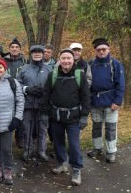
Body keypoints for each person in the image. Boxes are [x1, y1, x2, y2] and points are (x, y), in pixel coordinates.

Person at [43, 48, 90, 186]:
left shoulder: (79, 75)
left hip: (73, 117)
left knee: (74, 145)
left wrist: (84, 116)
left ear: (73, 60)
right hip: (56, 116)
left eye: (69, 58)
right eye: (63, 58)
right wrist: (45, 113)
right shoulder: (53, 75)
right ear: (59, 60)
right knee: (58, 142)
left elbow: (86, 97)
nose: (66, 61)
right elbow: (46, 95)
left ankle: (76, 169)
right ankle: (62, 163)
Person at [87, 38, 125, 163]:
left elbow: (121, 84)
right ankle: (97, 148)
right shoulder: (91, 64)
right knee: (96, 127)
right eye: (99, 50)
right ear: (95, 51)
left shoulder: (115, 64)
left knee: (111, 128)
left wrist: (117, 101)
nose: (102, 52)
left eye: (104, 49)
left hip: (111, 102)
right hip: (95, 101)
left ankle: (111, 151)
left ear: (109, 49)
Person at [18, 45, 52, 161]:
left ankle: (41, 151)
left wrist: (45, 91)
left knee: (42, 128)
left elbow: (53, 85)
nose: (37, 54)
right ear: (31, 54)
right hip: (28, 104)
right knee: (27, 128)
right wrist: (27, 89)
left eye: (39, 52)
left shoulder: (48, 69)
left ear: (43, 54)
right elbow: (18, 84)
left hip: (43, 104)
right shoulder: (25, 68)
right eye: (34, 52)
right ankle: (28, 150)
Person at [2, 37, 27, 148]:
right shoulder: (3, 61)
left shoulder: (25, 62)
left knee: (20, 115)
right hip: (5, 91)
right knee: (7, 115)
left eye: (17, 47)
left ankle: (20, 138)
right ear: (9, 49)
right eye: (12, 47)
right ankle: (5, 138)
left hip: (20, 91)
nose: (14, 48)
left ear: (20, 49)